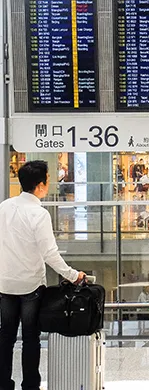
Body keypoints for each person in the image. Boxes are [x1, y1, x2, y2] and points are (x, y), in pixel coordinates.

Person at [0, 160, 86, 390]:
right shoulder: (39, 214)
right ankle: (30, 385)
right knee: (30, 338)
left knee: (5, 337)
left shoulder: (4, 207)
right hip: (30, 286)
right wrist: (72, 275)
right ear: (40, 185)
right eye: (49, 178)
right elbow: (50, 254)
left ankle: (3, 384)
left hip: (5, 283)